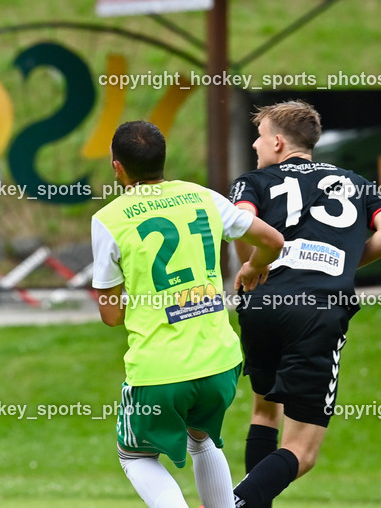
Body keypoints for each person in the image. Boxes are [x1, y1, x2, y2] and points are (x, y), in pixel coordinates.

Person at [91, 121, 284, 508]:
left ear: (117, 167)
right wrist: (253, 266)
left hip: (160, 370)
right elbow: (273, 240)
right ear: (164, 159)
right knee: (203, 437)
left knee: (134, 454)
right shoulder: (203, 197)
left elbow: (111, 315)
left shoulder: (109, 220)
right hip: (221, 363)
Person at [227, 101, 381, 507]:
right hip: (317, 309)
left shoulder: (253, 181)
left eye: (259, 137)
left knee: (263, 411)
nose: (255, 145)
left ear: (276, 141)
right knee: (302, 452)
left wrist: (255, 264)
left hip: (263, 302)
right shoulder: (354, 182)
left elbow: (239, 222)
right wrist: (340, 262)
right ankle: (231, 503)